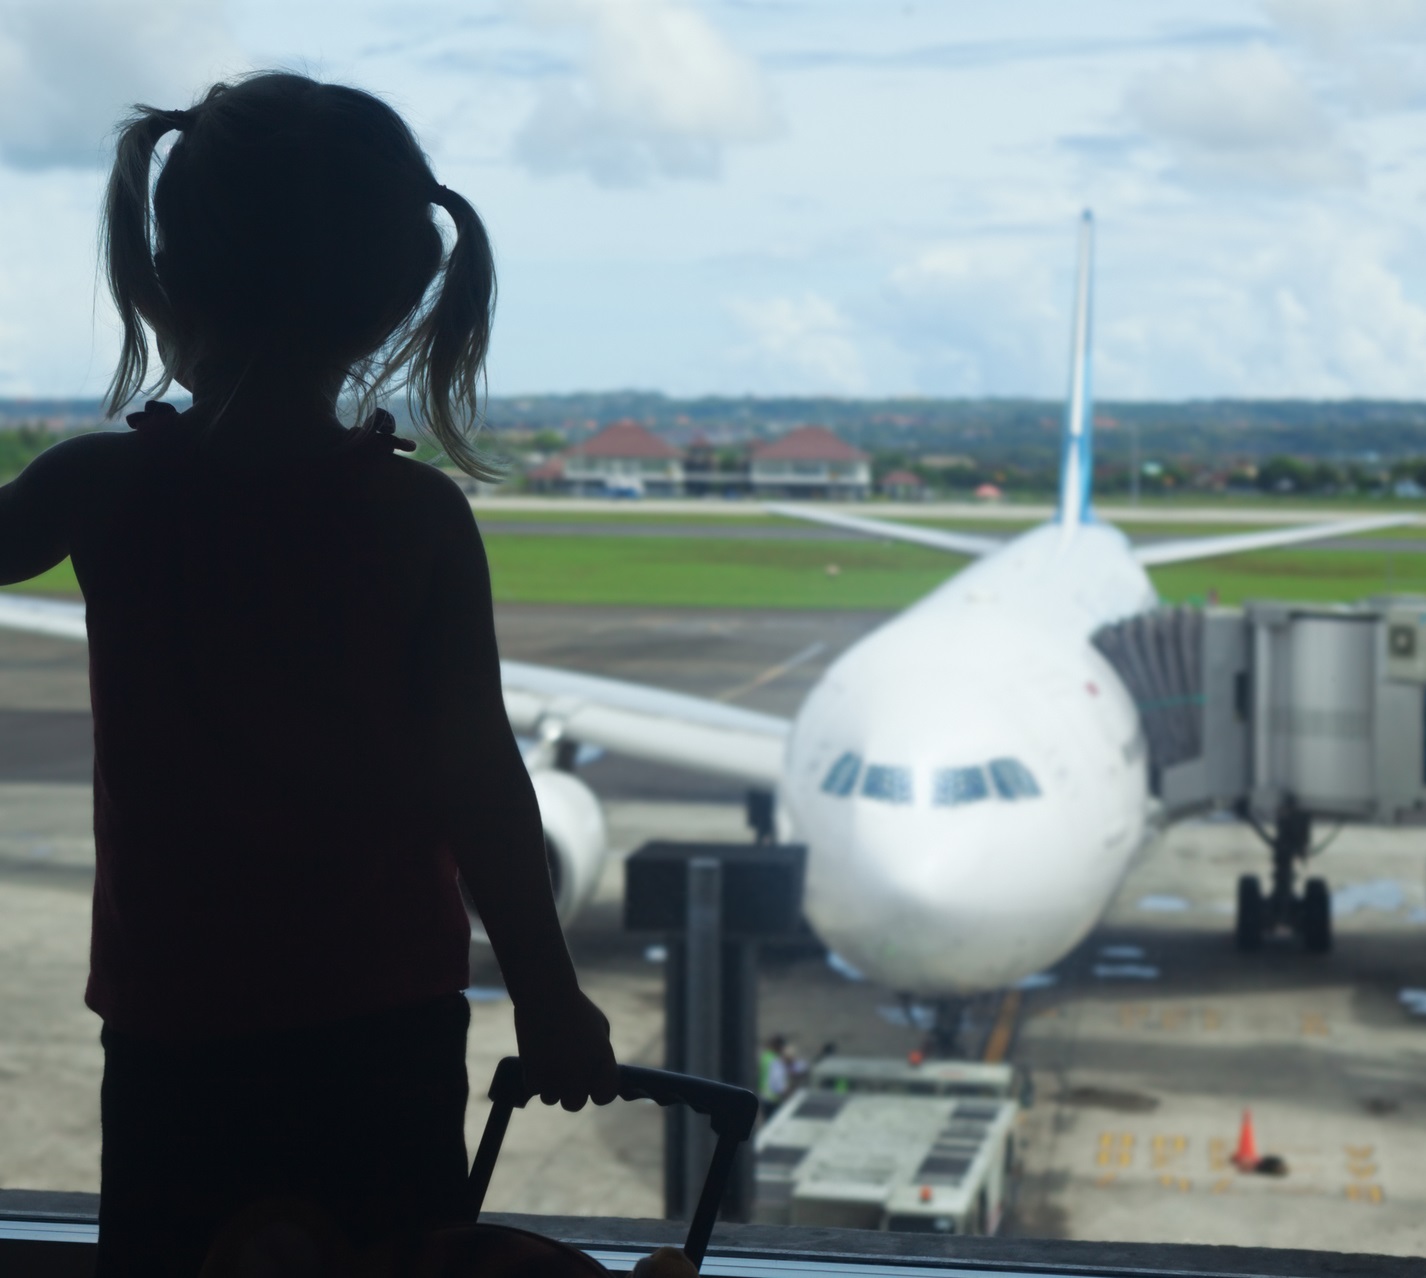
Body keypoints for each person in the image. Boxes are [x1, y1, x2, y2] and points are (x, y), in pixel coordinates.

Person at [0, 72, 618, 1276]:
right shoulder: (419, 521)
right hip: (384, 1014)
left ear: (162, 283)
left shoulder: (101, 488)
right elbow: (480, 778)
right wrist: (547, 995)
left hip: (175, 1016)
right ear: (393, 302)